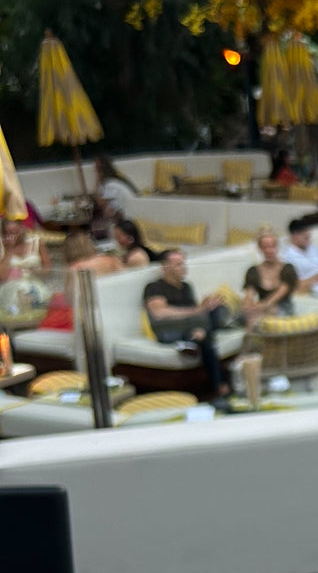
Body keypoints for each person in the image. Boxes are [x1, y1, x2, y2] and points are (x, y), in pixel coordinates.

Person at [143, 249, 233, 402]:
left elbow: (194, 313)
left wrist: (206, 307)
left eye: (183, 263)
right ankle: (220, 385)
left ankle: (193, 339)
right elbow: (159, 313)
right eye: (178, 264)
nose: (183, 267)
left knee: (217, 311)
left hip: (190, 326)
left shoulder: (186, 287)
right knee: (206, 335)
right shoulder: (154, 287)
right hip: (168, 330)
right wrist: (197, 310)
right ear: (165, 267)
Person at [243, 231, 299, 324]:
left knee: (271, 311)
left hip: (282, 307)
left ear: (277, 247)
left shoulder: (287, 269)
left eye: (272, 246)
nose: (269, 250)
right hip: (261, 308)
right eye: (265, 247)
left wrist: (264, 305)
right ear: (260, 249)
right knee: (250, 315)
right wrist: (249, 305)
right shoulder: (253, 271)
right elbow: (249, 293)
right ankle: (251, 336)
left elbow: (281, 292)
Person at [280, 217, 318, 293]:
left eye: (307, 231)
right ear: (294, 237)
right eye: (302, 233)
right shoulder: (288, 258)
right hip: (310, 290)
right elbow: (298, 285)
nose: (307, 235)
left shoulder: (315, 249)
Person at [94, 154, 136, 220]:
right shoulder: (114, 180)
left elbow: (100, 203)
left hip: (127, 214)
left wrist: (97, 182)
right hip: (123, 211)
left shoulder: (110, 184)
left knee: (103, 214)